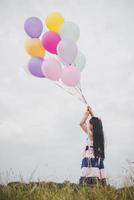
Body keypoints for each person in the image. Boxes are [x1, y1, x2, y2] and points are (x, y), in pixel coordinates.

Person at [79, 106, 107, 186]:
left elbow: (81, 123)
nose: (89, 124)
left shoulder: (91, 135)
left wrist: (86, 114)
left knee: (87, 180)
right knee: (95, 180)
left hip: (90, 159)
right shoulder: (99, 135)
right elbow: (96, 123)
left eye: (90, 123)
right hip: (95, 159)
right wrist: (91, 113)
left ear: (93, 126)